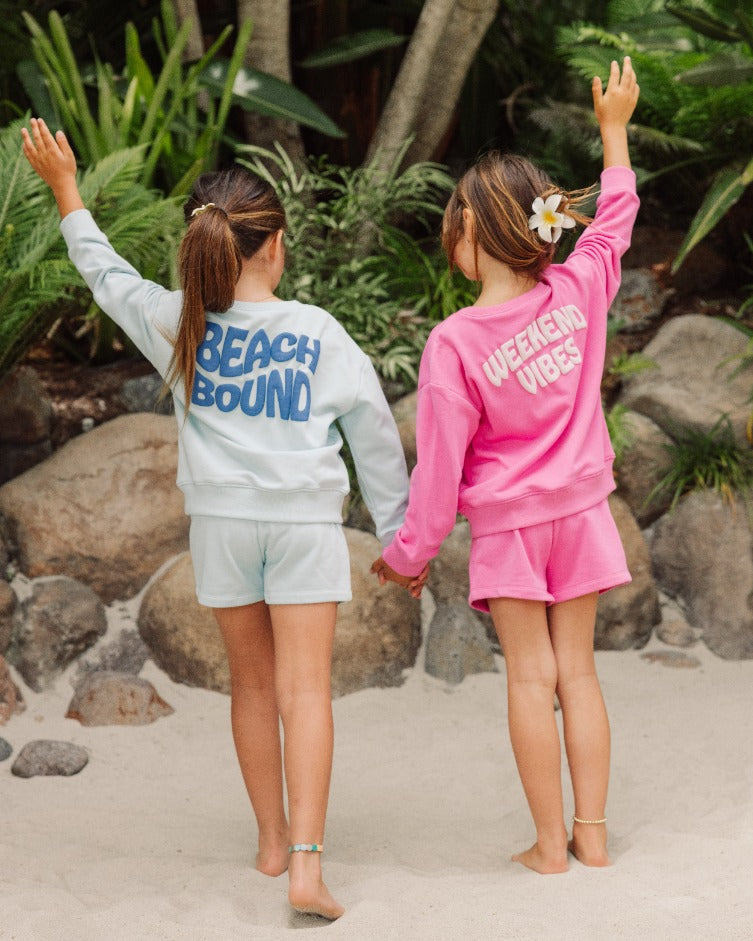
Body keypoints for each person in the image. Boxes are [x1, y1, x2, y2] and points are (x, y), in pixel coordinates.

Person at [22, 119, 415, 918]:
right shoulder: (317, 332)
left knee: (252, 686)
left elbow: (104, 273)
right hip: (302, 529)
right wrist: (401, 535)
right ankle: (305, 864)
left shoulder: (179, 321)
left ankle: (269, 840)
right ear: (274, 247)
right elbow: (374, 433)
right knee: (306, 692)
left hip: (222, 531)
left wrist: (66, 188)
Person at [372, 58, 640, 874]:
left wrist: (409, 555)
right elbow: (614, 219)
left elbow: (438, 472)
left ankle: (549, 847)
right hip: (583, 512)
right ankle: (592, 835)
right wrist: (613, 132)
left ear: (473, 232)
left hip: (511, 530)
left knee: (530, 678)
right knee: (578, 673)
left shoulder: (454, 343)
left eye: (451, 222)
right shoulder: (577, 288)